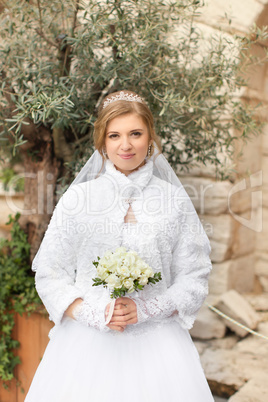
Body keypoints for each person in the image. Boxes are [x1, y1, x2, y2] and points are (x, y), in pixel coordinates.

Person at [25, 90, 215, 402]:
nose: (125, 145)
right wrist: (90, 312)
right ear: (102, 142)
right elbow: (48, 271)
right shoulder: (78, 199)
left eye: (135, 134)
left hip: (159, 349)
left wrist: (148, 308)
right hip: (85, 348)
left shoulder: (174, 200)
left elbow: (195, 276)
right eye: (114, 135)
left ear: (150, 138)